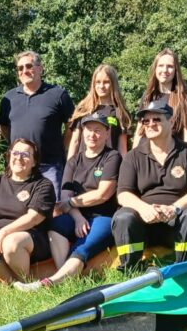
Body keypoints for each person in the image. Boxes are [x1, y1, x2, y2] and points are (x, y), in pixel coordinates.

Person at [15, 112, 121, 291]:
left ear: (106, 133)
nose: (92, 135)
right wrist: (78, 217)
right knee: (55, 226)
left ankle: (49, 284)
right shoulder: (74, 160)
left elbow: (102, 194)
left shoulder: (112, 157)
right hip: (76, 215)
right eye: (88, 130)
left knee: (82, 247)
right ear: (82, 132)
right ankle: (65, 278)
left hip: (103, 216)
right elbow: (65, 196)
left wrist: (72, 203)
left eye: (97, 130)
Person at [113, 101, 187, 272]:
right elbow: (123, 194)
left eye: (156, 119)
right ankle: (130, 269)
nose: (150, 124)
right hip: (144, 223)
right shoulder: (133, 156)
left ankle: (186, 269)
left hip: (177, 220)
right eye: (145, 121)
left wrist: (174, 208)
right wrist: (144, 209)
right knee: (123, 217)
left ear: (170, 122)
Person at [0, 139, 55, 283]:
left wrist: (3, 233)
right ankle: (14, 284)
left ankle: (23, 280)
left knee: (11, 243)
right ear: (9, 156)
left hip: (29, 235)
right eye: (15, 153)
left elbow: (33, 218)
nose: (19, 157)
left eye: (25, 154)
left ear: (34, 162)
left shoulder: (42, 185)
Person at [0, 51, 74, 194]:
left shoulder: (58, 94)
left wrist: (62, 147)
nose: (24, 71)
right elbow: (3, 126)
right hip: (18, 166)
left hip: (49, 166)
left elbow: (72, 125)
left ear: (40, 68)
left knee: (53, 209)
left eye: (28, 66)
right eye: (20, 68)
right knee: (15, 209)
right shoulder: (9, 98)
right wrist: (14, 143)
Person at [136, 49, 187, 146]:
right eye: (161, 66)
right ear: (155, 69)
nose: (165, 70)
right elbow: (139, 132)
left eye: (170, 66)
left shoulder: (185, 97)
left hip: (174, 156)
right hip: (146, 156)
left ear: (176, 70)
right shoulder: (147, 95)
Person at [66, 63, 131, 159]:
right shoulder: (84, 109)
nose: (101, 86)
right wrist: (69, 168)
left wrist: (124, 171)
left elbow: (122, 148)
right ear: (93, 84)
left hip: (109, 166)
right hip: (83, 166)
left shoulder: (120, 112)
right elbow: (75, 141)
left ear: (113, 84)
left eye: (106, 82)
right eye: (98, 82)